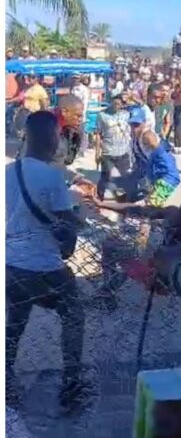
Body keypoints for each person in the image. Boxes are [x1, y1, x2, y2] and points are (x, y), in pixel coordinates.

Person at [6, 110, 90, 411]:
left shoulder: (8, 172)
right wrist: (78, 216)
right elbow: (66, 230)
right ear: (53, 139)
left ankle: (6, 384)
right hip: (45, 268)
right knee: (74, 317)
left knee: (14, 325)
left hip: (13, 264)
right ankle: (71, 387)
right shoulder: (53, 177)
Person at [94, 93, 133, 200]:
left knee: (125, 177)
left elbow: (142, 106)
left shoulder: (127, 113)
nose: (118, 105)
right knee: (105, 177)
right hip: (108, 152)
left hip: (123, 151)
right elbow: (98, 134)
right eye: (115, 103)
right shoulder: (102, 115)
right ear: (111, 101)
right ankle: (99, 197)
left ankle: (124, 198)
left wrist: (130, 99)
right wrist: (97, 153)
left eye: (120, 103)